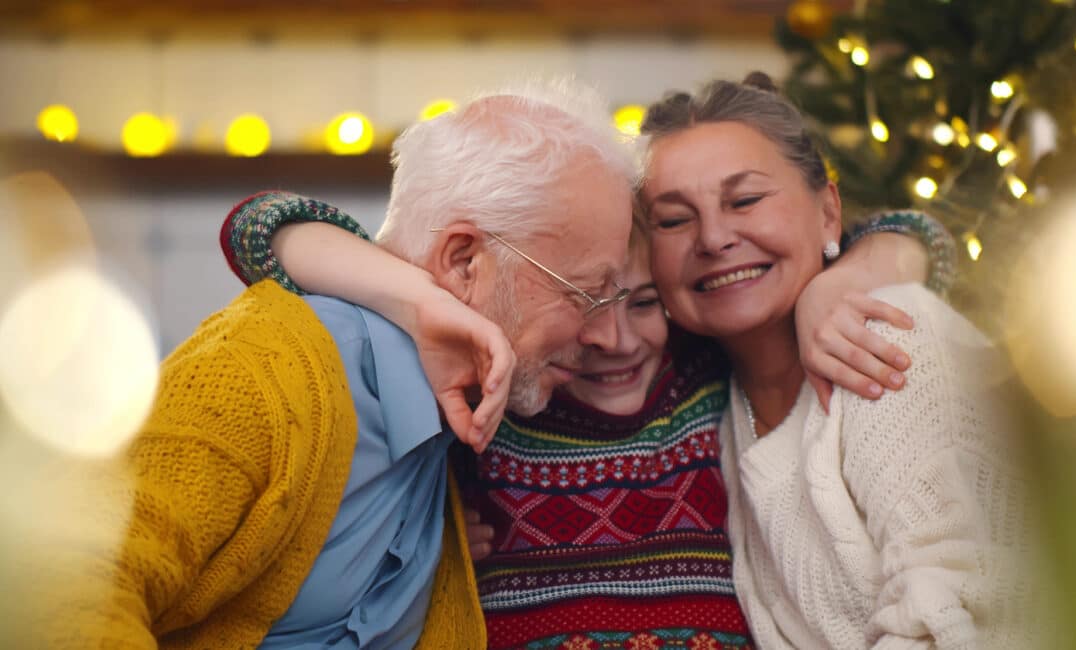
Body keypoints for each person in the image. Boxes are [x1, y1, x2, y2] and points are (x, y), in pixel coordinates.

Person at [22, 79, 640, 649]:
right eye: (587, 294)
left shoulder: (474, 410)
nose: (611, 335)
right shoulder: (261, 375)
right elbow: (58, 588)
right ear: (463, 262)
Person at [218, 173, 954, 647]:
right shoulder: (499, 381)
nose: (611, 338)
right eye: (582, 301)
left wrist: (838, 281)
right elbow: (262, 225)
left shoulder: (696, 372)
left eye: (642, 303)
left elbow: (917, 234)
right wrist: (420, 301)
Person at [638, 73, 1033, 647]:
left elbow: (957, 614)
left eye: (745, 200)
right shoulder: (706, 406)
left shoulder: (891, 337)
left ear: (828, 213)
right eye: (673, 220)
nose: (714, 238)